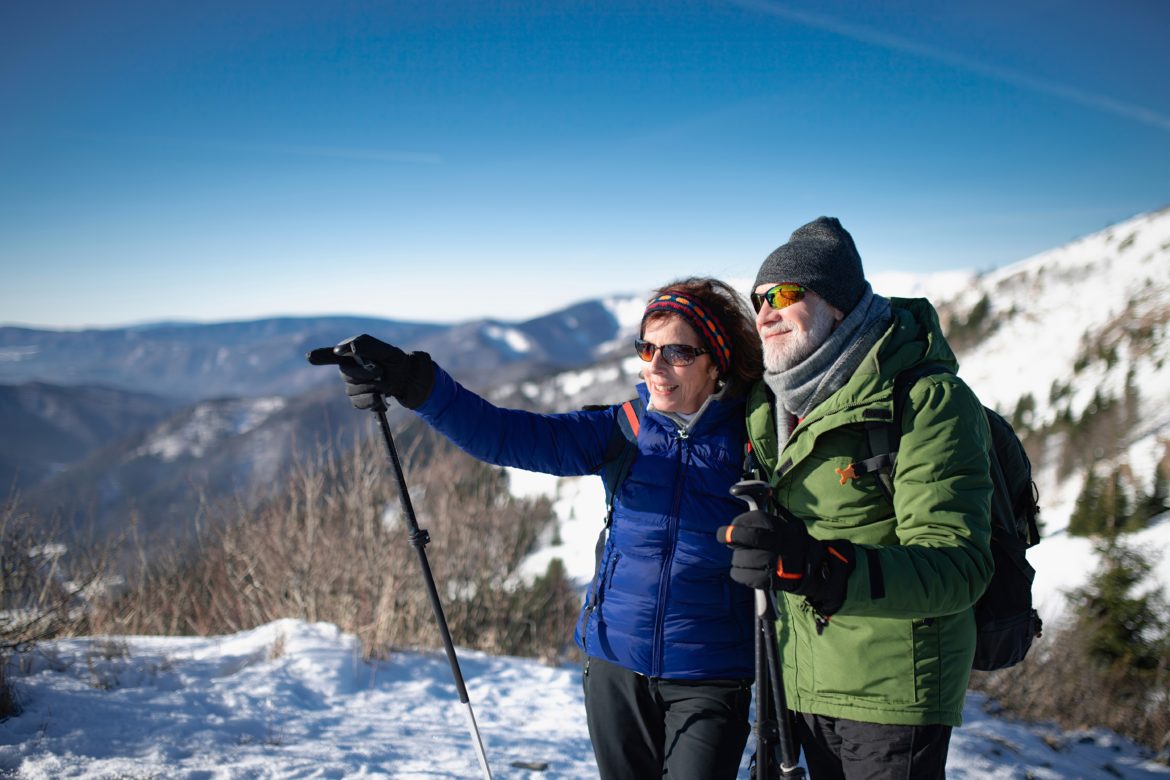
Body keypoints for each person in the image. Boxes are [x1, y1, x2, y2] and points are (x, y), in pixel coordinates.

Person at [328, 277, 764, 780]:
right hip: (614, 664)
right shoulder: (622, 430)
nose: (656, 367)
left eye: (679, 353)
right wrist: (414, 383)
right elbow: (506, 436)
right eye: (647, 348)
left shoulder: (757, 443)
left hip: (709, 673)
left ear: (717, 361)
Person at [717, 217, 995, 779]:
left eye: (785, 294)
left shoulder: (926, 399)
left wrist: (818, 566)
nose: (765, 312)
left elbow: (960, 565)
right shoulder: (769, 404)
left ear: (838, 304)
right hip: (797, 680)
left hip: (893, 689)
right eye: (757, 299)